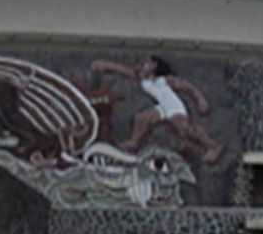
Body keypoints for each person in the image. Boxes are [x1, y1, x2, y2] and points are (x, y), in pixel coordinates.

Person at [89, 56, 223, 164]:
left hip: (172, 106)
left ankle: (212, 146)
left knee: (184, 130)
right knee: (142, 118)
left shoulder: (165, 80)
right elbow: (122, 70)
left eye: (147, 63)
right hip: (162, 107)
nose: (142, 65)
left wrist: (200, 100)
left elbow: (188, 87)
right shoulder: (142, 79)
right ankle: (134, 142)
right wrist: (104, 65)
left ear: (155, 66)